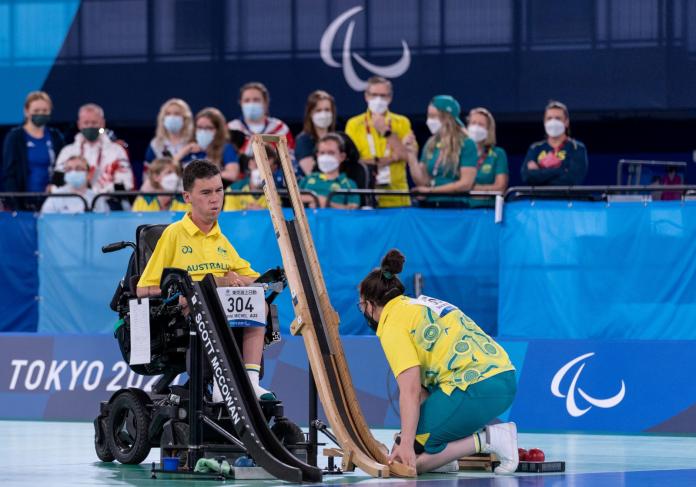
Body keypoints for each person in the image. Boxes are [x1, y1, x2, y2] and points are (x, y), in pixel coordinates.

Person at [359, 249, 518, 474]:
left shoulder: (391, 323)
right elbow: (423, 390)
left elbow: (410, 391)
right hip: (500, 376)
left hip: (476, 385)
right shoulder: (417, 304)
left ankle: (492, 439)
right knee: (413, 437)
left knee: (409, 458)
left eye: (361, 306)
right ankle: (445, 456)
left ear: (370, 305)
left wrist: (405, 444)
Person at [136, 160, 274, 400]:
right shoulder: (174, 234)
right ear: (187, 197)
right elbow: (143, 288)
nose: (215, 198)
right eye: (206, 192)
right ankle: (221, 384)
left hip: (223, 308)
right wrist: (180, 294)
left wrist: (235, 278)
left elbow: (253, 277)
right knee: (214, 304)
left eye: (219, 190)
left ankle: (250, 382)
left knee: (259, 302)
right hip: (187, 312)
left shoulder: (220, 239)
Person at [345, 76, 412, 207]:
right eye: (374, 95)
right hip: (367, 195)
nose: (378, 100)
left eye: (383, 96)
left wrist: (386, 132)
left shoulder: (402, 122)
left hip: (398, 197)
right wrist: (391, 158)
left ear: (390, 97)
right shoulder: (353, 124)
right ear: (366, 96)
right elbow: (352, 162)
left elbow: (407, 156)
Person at [406, 95, 477, 208]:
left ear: (447, 117)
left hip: (454, 206)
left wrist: (431, 191)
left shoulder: (467, 143)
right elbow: (422, 182)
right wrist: (411, 155)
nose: (429, 120)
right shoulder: (431, 143)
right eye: (428, 116)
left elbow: (466, 184)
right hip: (429, 205)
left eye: (433, 116)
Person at [54, 103, 135, 194]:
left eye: (94, 123)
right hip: (74, 203)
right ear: (79, 124)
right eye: (86, 123)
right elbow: (57, 183)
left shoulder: (117, 151)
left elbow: (126, 183)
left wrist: (96, 194)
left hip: (108, 203)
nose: (90, 126)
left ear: (102, 123)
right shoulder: (67, 152)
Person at [1, 91, 64, 196]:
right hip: (23, 199)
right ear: (26, 111)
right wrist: (15, 201)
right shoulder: (15, 137)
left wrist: (55, 186)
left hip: (52, 199)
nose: (40, 114)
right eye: (36, 110)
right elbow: (9, 173)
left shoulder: (55, 136)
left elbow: (62, 167)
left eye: (45, 110)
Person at [521, 100, 588, 186]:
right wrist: (561, 169)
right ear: (544, 122)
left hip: (566, 198)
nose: (553, 122)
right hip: (539, 198)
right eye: (549, 118)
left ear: (566, 122)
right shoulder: (535, 148)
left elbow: (572, 179)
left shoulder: (577, 148)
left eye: (558, 118)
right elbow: (527, 177)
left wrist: (539, 171)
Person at [227, 82, 295, 158]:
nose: (251, 104)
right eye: (247, 100)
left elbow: (290, 160)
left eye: (256, 100)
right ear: (240, 103)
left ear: (266, 102)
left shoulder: (280, 128)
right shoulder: (231, 129)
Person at [173, 107, 240, 183]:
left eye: (208, 128)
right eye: (200, 127)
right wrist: (183, 152)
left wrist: (202, 175)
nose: (203, 131)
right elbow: (165, 173)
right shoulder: (189, 150)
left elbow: (232, 174)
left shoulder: (226, 148)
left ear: (218, 130)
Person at [299, 134, 360, 209]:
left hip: (336, 220)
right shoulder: (307, 179)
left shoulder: (349, 184)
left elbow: (353, 209)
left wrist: (328, 203)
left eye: (331, 153)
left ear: (342, 157)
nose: (325, 157)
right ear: (317, 155)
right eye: (322, 153)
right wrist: (316, 198)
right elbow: (292, 197)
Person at [466, 107, 509, 208]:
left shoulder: (498, 154)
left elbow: (500, 188)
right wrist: (485, 190)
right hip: (461, 209)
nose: (476, 127)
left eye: (481, 124)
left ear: (488, 130)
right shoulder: (459, 152)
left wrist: (470, 188)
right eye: (473, 123)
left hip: (488, 210)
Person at [40, 155, 108, 213]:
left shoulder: (96, 198)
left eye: (78, 169)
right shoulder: (56, 197)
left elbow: (104, 222)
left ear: (88, 174)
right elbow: (46, 223)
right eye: (69, 169)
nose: (73, 172)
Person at [143, 98, 194, 171]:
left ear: (185, 118)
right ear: (163, 118)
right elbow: (148, 175)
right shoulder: (156, 145)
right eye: (168, 114)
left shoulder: (194, 143)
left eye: (177, 114)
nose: (172, 117)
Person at [223, 144, 278, 211]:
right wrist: (247, 213)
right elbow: (229, 219)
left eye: (267, 168)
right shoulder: (233, 190)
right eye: (257, 166)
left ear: (274, 169)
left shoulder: (276, 192)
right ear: (250, 164)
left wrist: (262, 213)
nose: (261, 172)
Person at [295, 90, 337, 176]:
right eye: (318, 110)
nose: (323, 114)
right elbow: (310, 172)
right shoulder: (303, 140)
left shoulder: (338, 138)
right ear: (310, 113)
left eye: (327, 110)